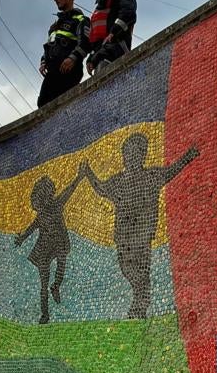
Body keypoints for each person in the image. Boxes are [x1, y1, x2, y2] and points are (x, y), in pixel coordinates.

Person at [83, 134, 197, 319]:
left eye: (136, 153)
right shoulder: (118, 181)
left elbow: (172, 170)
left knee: (142, 271)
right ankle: (140, 300)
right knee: (127, 269)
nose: (131, 157)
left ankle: (140, 306)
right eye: (128, 153)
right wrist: (88, 172)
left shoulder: (151, 176)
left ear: (143, 155)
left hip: (143, 234)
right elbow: (101, 188)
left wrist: (188, 156)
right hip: (123, 236)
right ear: (124, 155)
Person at [16, 163, 88, 324]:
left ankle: (55, 286)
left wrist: (80, 176)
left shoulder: (56, 205)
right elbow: (31, 228)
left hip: (58, 243)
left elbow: (69, 191)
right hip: (44, 247)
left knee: (60, 266)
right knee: (44, 281)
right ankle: (45, 314)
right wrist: (21, 238)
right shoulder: (42, 214)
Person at [37, 0, 90, 108]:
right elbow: (49, 46)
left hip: (69, 71)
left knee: (65, 105)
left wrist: (72, 58)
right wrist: (43, 61)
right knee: (42, 104)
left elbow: (85, 43)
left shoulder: (80, 20)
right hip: (52, 72)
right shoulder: (54, 27)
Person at [83, 0, 138, 73]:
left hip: (116, 49)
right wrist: (92, 57)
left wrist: (114, 32)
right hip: (101, 54)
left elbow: (128, 13)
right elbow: (97, 37)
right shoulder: (99, 7)